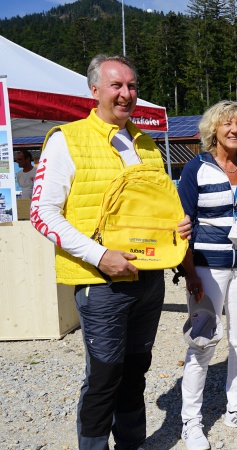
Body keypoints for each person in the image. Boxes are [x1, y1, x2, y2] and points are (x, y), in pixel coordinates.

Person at [29, 54, 191, 449]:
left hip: (150, 279)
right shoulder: (66, 140)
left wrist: (178, 227)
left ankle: (132, 444)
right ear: (95, 90)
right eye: (116, 85)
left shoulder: (148, 145)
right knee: (104, 376)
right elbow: (41, 212)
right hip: (100, 282)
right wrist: (100, 255)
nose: (126, 94)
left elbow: (159, 208)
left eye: (132, 86)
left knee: (136, 372)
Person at [177, 101, 237, 449]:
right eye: (227, 124)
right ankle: (191, 421)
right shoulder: (195, 168)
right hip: (205, 268)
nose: (235, 130)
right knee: (202, 345)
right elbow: (183, 224)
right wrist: (189, 273)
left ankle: (236, 409)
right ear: (213, 129)